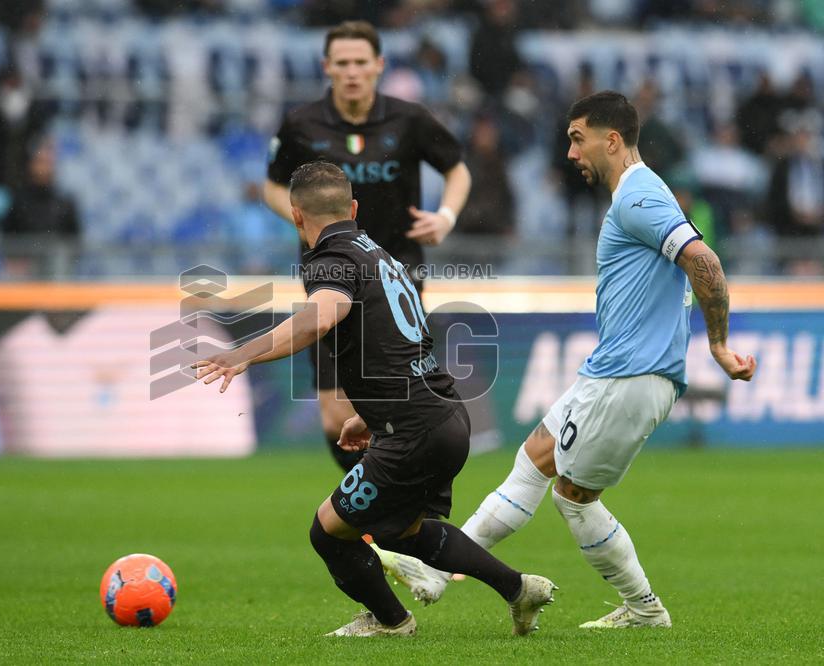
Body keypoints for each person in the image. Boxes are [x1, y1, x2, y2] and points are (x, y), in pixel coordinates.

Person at [382, 91, 757, 628]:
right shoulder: (637, 193)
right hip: (613, 370)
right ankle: (435, 572)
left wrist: (718, 344)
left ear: (611, 140)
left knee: (574, 498)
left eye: (578, 139)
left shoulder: (638, 194)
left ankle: (644, 609)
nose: (571, 153)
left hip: (631, 376)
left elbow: (704, 259)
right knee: (535, 456)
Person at [197, 161, 554, 637]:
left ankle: (392, 622)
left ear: (296, 216)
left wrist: (243, 353)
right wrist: (370, 416)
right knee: (397, 532)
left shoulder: (328, 262)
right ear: (354, 208)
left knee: (327, 532)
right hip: (445, 416)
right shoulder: (380, 255)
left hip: (415, 432)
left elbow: (320, 319)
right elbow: (397, 343)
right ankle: (519, 589)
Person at [263, 20, 471, 472]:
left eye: (361, 62)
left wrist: (445, 217)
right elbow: (273, 187)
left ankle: (388, 514)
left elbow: (457, 169)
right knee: (335, 415)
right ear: (327, 67)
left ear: (379, 65)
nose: (352, 71)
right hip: (330, 274)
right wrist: (303, 222)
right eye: (343, 63)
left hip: (397, 273)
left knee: (392, 402)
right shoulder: (302, 124)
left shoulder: (410, 119)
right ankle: (381, 511)